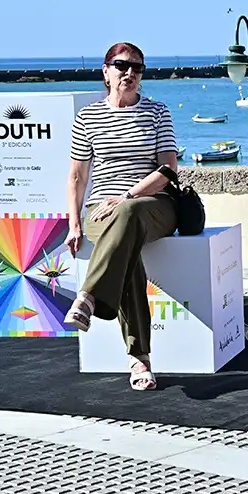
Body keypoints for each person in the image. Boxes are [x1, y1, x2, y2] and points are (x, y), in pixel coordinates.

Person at [62, 42, 180, 391]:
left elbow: (169, 169)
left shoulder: (157, 112)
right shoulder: (88, 118)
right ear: (106, 71)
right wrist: (74, 224)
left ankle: (88, 296)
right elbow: (77, 176)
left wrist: (127, 195)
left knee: (126, 213)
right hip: (102, 211)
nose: (129, 73)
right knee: (126, 255)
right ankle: (140, 360)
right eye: (122, 66)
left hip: (155, 205)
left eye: (137, 68)